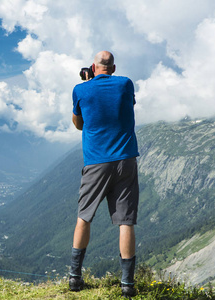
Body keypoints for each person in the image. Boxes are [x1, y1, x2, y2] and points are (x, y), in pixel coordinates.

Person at [69, 51, 139, 298]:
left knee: (84, 215)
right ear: (114, 68)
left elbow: (80, 124)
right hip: (125, 159)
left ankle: (75, 279)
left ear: (92, 67)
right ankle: (127, 284)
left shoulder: (80, 89)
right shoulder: (126, 84)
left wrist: (88, 84)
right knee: (126, 220)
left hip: (96, 161)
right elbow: (123, 107)